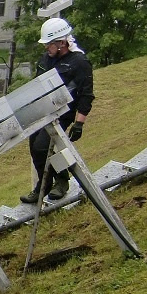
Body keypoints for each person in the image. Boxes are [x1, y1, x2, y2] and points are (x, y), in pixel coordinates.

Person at [20, 17, 94, 204]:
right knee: (34, 147)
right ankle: (42, 186)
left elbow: (86, 95)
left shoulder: (79, 62)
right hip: (43, 109)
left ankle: (61, 181)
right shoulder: (47, 59)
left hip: (63, 112)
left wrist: (79, 123)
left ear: (62, 43)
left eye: (49, 44)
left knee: (43, 146)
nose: (46, 48)